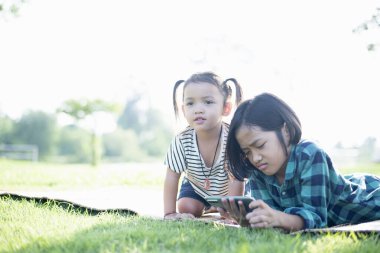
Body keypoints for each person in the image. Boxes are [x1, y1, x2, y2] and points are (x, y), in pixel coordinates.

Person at [219, 92, 380, 231]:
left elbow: (316, 220)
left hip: (368, 200)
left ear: (286, 131)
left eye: (260, 145)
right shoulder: (257, 168)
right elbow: (273, 217)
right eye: (247, 152)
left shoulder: (310, 154)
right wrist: (254, 219)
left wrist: (278, 218)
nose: (255, 157)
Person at [163, 71, 245, 219]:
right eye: (190, 103)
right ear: (183, 110)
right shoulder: (182, 140)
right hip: (197, 187)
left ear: (226, 107)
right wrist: (169, 213)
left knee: (230, 211)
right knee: (186, 207)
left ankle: (218, 205)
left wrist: (234, 214)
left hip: (228, 188)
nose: (198, 109)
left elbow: (237, 178)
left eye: (208, 102)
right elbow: (172, 177)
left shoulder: (232, 138)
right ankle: (209, 205)